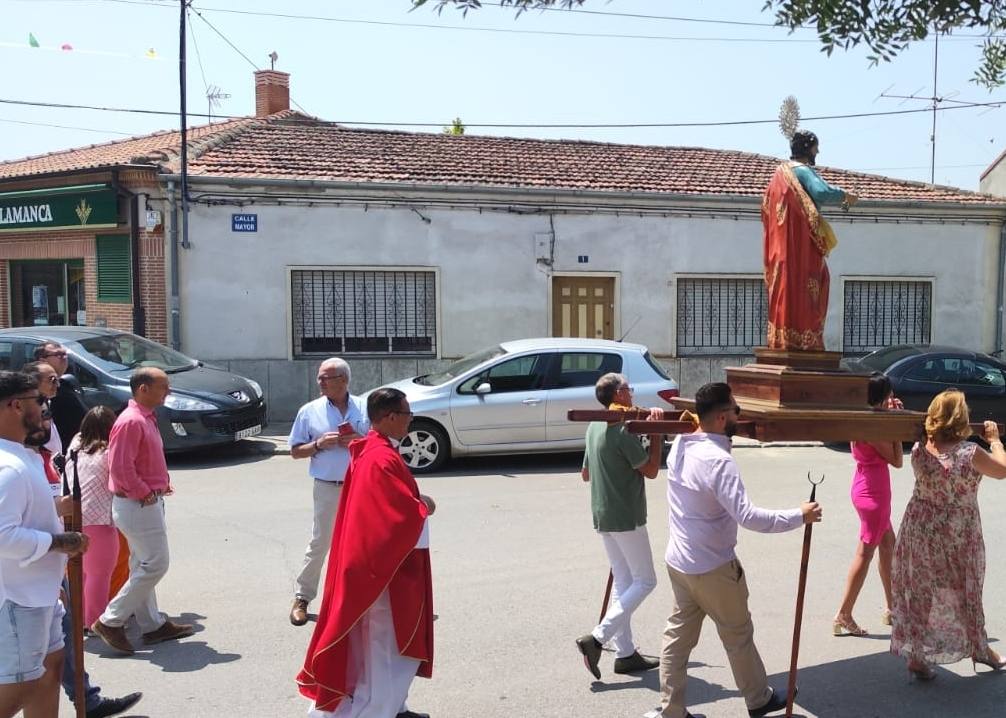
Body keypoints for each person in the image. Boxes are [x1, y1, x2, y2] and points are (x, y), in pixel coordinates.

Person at [654, 382, 821, 718]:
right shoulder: (719, 461)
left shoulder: (681, 445)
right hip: (712, 568)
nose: (739, 417)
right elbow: (749, 516)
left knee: (678, 638)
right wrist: (798, 516)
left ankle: (672, 709)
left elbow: (688, 428)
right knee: (737, 635)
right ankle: (758, 699)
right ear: (719, 418)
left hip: (681, 562)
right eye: (735, 411)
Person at [297, 388, 434, 718]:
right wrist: (423, 506)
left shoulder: (372, 448)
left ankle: (393, 707)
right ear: (389, 418)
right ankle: (377, 711)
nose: (410, 420)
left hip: (374, 568)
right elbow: (393, 516)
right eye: (407, 415)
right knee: (387, 650)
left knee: (375, 651)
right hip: (384, 575)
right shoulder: (380, 458)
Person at [890, 389, 1006, 680]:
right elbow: (1003, 470)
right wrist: (995, 441)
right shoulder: (969, 452)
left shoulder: (920, 448)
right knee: (966, 589)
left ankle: (917, 655)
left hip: (921, 526)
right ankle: (980, 648)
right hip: (957, 531)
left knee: (921, 591)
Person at [0, 370, 88, 718]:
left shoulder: (21, 456)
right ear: (14, 405)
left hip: (39, 592)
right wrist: (60, 542)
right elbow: (3, 535)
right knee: (21, 687)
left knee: (51, 672)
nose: (46, 409)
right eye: (40, 401)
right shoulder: (9, 467)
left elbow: (23, 517)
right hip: (18, 598)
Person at [91, 368, 193, 655]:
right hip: (137, 504)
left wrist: (159, 487)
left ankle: (152, 625)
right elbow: (121, 468)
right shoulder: (131, 421)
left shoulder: (145, 417)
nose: (168, 392)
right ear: (144, 389)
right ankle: (111, 620)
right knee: (156, 564)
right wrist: (145, 493)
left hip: (144, 502)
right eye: (164, 387)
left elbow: (143, 462)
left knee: (142, 564)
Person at [575, 373, 664, 679]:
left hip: (603, 514)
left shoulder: (595, 424)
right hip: (625, 515)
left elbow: (585, 473)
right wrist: (656, 432)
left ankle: (624, 654)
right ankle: (597, 638)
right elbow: (651, 471)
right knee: (646, 581)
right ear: (620, 394)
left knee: (624, 582)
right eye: (629, 388)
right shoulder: (620, 431)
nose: (632, 392)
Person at [287, 358, 369, 627]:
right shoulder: (309, 411)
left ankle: (364, 601)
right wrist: (319, 444)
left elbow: (383, 443)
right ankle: (302, 597)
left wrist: (360, 441)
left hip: (361, 485)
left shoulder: (365, 407)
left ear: (343, 380)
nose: (320, 382)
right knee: (320, 543)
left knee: (363, 545)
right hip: (328, 486)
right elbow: (296, 452)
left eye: (326, 378)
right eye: (319, 377)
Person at [762, 130, 858, 351]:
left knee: (786, 290)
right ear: (807, 148)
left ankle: (784, 340)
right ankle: (806, 341)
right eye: (816, 147)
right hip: (802, 248)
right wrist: (845, 195)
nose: (818, 151)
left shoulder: (778, 175)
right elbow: (821, 192)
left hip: (781, 251)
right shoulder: (802, 171)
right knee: (815, 285)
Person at [832, 373, 904, 637]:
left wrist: (890, 418)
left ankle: (893, 607)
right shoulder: (872, 426)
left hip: (870, 486)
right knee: (865, 553)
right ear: (884, 397)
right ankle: (844, 613)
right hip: (872, 493)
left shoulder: (864, 416)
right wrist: (896, 423)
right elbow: (897, 460)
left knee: (888, 546)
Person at [68, 407, 119, 629]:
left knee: (82, 573)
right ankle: (94, 621)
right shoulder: (108, 452)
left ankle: (79, 617)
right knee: (100, 574)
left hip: (72, 515)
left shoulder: (76, 444)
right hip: (99, 520)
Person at [34, 342, 88, 450]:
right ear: (42, 360)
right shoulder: (36, 394)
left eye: (65, 354)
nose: (63, 357)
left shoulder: (66, 384)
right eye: (58, 354)